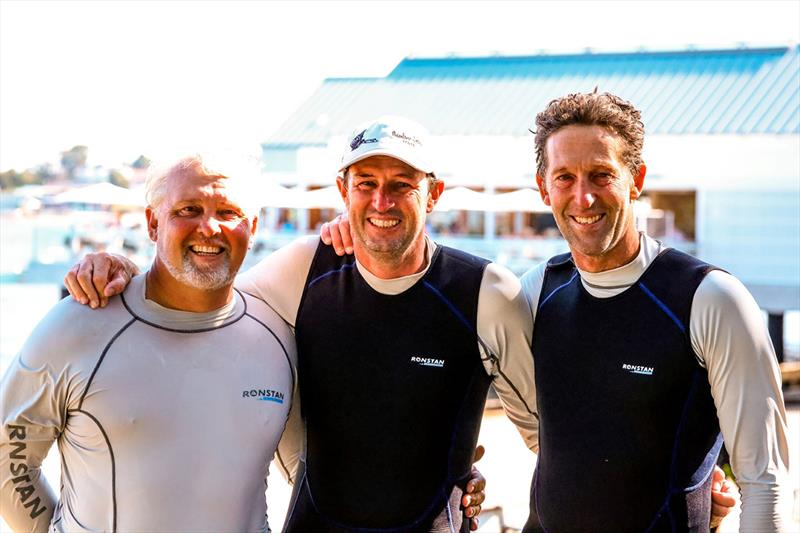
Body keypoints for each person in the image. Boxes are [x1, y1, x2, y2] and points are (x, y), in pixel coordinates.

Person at [62, 117, 520, 532]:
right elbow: (199, 300)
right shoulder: (304, 269)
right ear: (343, 191)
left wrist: (465, 473)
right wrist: (121, 267)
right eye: (366, 183)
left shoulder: (483, 290)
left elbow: (546, 428)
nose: (382, 200)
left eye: (402, 185)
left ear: (433, 194)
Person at [519, 91, 789, 531]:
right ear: (543, 187)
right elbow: (548, 438)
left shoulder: (710, 298)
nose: (583, 197)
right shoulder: (536, 292)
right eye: (565, 177)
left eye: (601, 174)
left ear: (636, 178)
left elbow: (766, 479)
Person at [1, 152, 300, 531]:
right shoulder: (77, 325)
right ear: (152, 223)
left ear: (253, 227)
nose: (209, 227)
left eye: (227, 212)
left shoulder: (277, 337)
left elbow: (307, 478)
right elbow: (8, 462)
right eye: (188, 209)